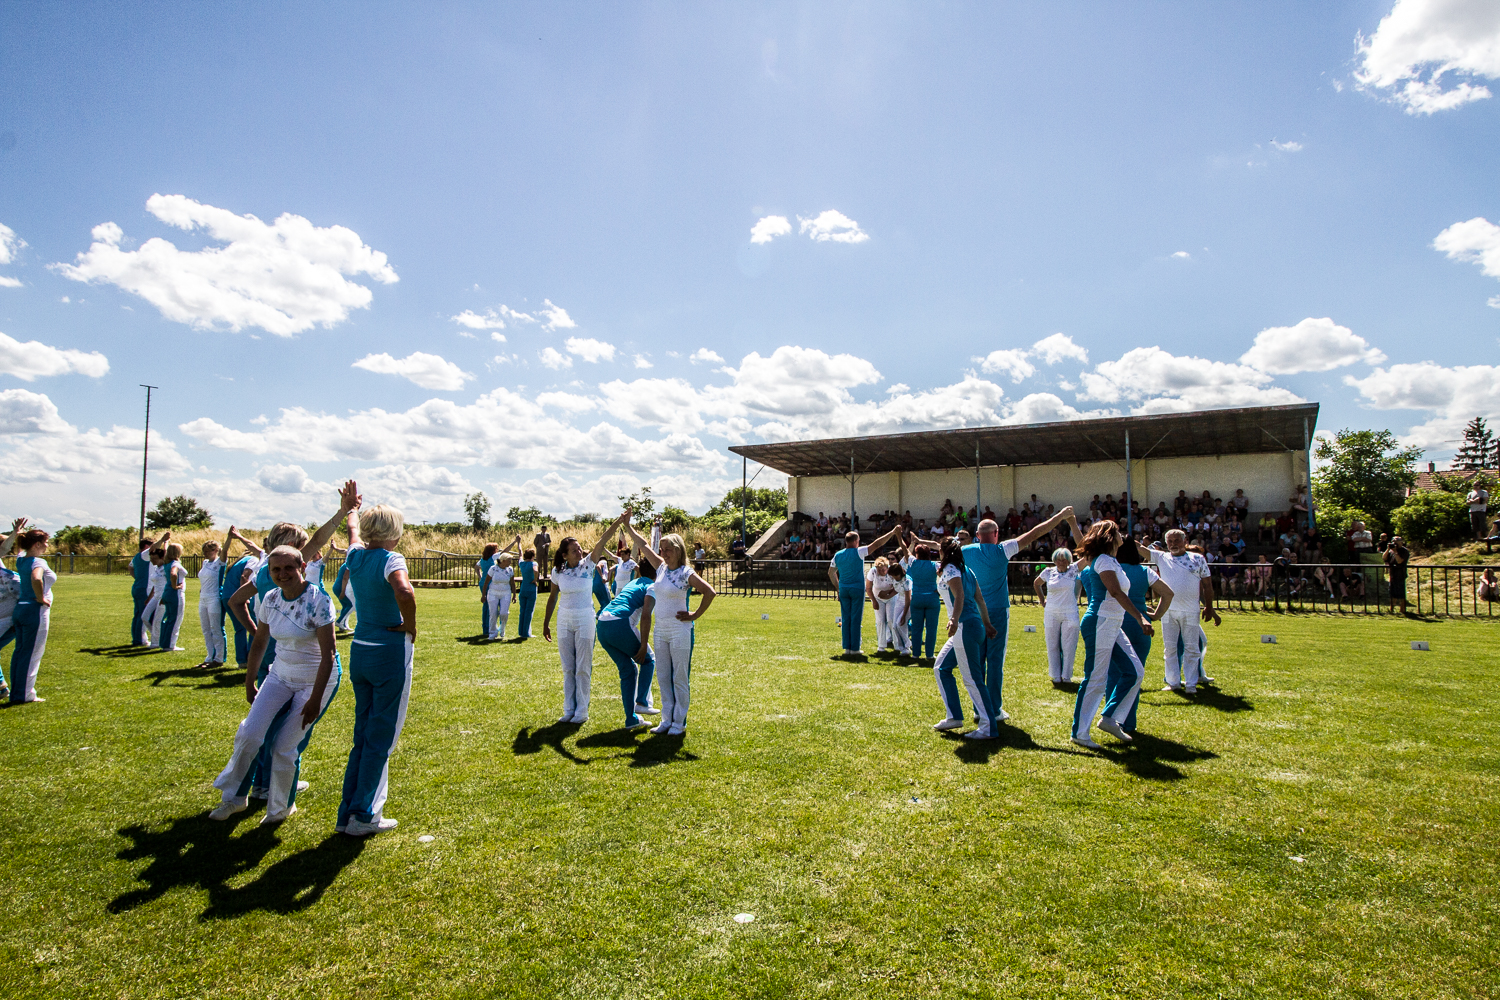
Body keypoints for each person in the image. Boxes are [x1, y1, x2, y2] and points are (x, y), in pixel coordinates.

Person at [210, 546, 341, 826]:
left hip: (315, 680)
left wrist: (315, 700)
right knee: (250, 733)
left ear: (302, 567)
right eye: (276, 569)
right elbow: (260, 642)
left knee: (283, 746)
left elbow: (329, 655)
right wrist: (249, 682)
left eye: (288, 568)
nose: (282, 574)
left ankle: (281, 808)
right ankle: (234, 798)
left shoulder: (319, 601)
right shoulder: (270, 598)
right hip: (279, 676)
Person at [337, 487, 420, 837]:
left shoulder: (355, 555)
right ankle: (364, 814)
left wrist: (351, 509)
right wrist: (410, 625)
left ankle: (347, 813)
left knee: (363, 734)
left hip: (361, 650)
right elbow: (404, 591)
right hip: (389, 652)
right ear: (393, 532)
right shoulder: (392, 558)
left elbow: (353, 531)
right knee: (382, 736)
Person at [963, 506, 1076, 724]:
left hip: (974, 611)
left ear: (977, 535)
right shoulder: (1002, 549)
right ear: (996, 534)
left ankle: (978, 708)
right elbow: (1036, 532)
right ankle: (994, 709)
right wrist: (1060, 516)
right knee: (995, 660)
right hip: (997, 611)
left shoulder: (965, 551)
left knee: (977, 661)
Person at [625, 521, 718, 736]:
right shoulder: (661, 567)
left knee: (680, 677)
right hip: (661, 631)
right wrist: (628, 527)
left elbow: (709, 592)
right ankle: (666, 720)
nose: (664, 553)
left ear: (678, 550)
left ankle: (679, 722)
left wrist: (694, 615)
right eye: (662, 549)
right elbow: (643, 544)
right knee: (663, 676)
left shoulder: (686, 573)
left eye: (667, 549)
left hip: (680, 631)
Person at [1072, 520, 1155, 749]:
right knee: (1095, 679)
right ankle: (1079, 733)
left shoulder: (1110, 560)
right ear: (1109, 537)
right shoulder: (1104, 560)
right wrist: (1140, 617)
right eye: (1118, 532)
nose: (1122, 535)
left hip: (1112, 624)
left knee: (1135, 672)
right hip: (1101, 622)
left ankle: (1110, 718)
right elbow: (1116, 592)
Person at [540, 526, 618, 725]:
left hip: (585, 619)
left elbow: (602, 541)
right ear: (565, 555)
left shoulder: (588, 565)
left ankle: (582, 710)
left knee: (582, 666)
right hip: (564, 620)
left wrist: (619, 522)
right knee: (568, 667)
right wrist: (546, 624)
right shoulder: (558, 571)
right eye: (574, 550)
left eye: (580, 548)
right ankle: (569, 709)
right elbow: (552, 598)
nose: (579, 551)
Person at [930, 537, 1001, 740]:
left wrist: (954, 619)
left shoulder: (950, 569)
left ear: (944, 552)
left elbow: (959, 595)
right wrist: (987, 624)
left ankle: (988, 727)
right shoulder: (968, 570)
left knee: (972, 679)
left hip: (964, 627)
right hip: (973, 626)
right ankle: (953, 716)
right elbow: (979, 599)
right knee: (941, 668)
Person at [595, 513, 660, 730]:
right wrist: (643, 645)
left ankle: (631, 719)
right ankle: (642, 702)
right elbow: (645, 616)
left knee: (628, 670)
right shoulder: (652, 586)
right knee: (649, 660)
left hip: (602, 623)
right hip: (619, 624)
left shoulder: (634, 582)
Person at [1101, 539, 1173, 734]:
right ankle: (1128, 722)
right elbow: (1168, 593)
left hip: (1116, 623)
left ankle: (1111, 718)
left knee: (1114, 673)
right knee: (1135, 675)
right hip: (1140, 627)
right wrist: (1156, 615)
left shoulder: (1110, 569)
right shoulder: (1144, 571)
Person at [1148, 529, 1219, 693]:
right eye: (1170, 541)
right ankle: (1173, 682)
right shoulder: (1161, 557)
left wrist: (1209, 607)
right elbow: (1138, 548)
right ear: (1166, 543)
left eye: (1177, 540)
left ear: (1185, 541)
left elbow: (1208, 585)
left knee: (1192, 648)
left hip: (1191, 611)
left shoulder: (1198, 559)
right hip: (1168, 611)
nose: (1173, 544)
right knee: (1170, 648)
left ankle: (1191, 684)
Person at [826, 523, 903, 655]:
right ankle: (855, 648)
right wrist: (892, 532)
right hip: (857, 588)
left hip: (844, 588)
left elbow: (831, 573)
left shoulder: (838, 555)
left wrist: (838, 588)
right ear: (856, 541)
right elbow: (877, 544)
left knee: (845, 618)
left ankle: (847, 648)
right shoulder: (859, 551)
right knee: (856, 618)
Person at [10, 527, 56, 705]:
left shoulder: (21, 560)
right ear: (37, 544)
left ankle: (17, 692)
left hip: (20, 609)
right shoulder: (39, 562)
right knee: (32, 654)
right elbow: (36, 578)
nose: (47, 545)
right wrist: (41, 598)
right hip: (34, 611)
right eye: (45, 542)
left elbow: (20, 550)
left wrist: (17, 533)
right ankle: (25, 694)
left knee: (20, 652)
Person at [1034, 546, 1082, 685]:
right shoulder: (1048, 572)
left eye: (1064, 559)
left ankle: (1066, 676)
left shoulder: (1074, 570)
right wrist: (1042, 600)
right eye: (1058, 560)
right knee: (1052, 645)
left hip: (1070, 612)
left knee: (1069, 645)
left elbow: (1086, 557)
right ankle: (1055, 675)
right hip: (1051, 612)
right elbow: (1037, 583)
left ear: (1069, 560)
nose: (1061, 562)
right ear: (1054, 560)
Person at [222, 528, 264, 667]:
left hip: (226, 596)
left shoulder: (238, 562)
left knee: (239, 629)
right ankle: (252, 658)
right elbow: (244, 577)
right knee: (252, 626)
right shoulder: (253, 560)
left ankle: (242, 660)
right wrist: (244, 596)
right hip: (238, 597)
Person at [0, 518, 28, 700]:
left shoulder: (7, 575)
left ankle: (1, 687)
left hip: (10, 619)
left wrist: (15, 534)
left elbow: (3, 547)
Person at [904, 535, 943, 660]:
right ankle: (930, 654)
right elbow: (945, 577)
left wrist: (906, 540)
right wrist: (940, 589)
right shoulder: (935, 565)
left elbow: (906, 551)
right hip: (932, 598)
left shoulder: (913, 563)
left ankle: (915, 654)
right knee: (931, 628)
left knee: (917, 628)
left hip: (917, 597)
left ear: (917, 554)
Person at [130, 531, 167, 646]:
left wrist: (138, 577)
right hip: (145, 589)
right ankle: (140, 639)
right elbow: (153, 548)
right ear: (146, 546)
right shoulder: (145, 555)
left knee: (137, 614)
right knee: (144, 615)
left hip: (137, 587)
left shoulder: (136, 557)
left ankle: (137, 638)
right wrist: (163, 540)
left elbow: (130, 567)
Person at [196, 538, 228, 668]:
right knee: (206, 629)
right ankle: (209, 657)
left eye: (207, 551)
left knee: (216, 628)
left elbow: (225, 552)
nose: (205, 553)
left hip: (214, 598)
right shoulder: (205, 563)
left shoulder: (219, 563)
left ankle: (218, 658)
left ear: (215, 550)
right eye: (204, 551)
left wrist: (230, 537)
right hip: (203, 598)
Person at [156, 542, 188, 651]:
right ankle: (170, 645)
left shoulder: (167, 563)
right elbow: (173, 573)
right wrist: (175, 586)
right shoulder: (175, 563)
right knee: (175, 619)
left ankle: (164, 643)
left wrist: (166, 543)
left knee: (168, 618)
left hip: (167, 592)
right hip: (176, 594)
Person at [485, 553, 518, 639]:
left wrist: (514, 595)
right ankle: (492, 633)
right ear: (503, 560)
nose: (510, 563)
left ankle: (502, 628)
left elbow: (512, 583)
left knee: (504, 613)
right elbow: (486, 581)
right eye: (509, 561)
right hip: (493, 593)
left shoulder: (510, 570)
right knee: (493, 613)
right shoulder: (493, 569)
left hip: (506, 593)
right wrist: (483, 595)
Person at [516, 547, 538, 639]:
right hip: (531, 588)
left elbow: (520, 554)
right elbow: (535, 570)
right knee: (529, 611)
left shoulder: (521, 563)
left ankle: (521, 631)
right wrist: (535, 580)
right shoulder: (534, 563)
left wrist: (519, 545)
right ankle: (526, 632)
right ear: (533, 556)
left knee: (522, 611)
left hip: (523, 588)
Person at [1385, 536, 1410, 614]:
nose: (1395, 543)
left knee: (1401, 593)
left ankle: (1402, 610)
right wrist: (1388, 549)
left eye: (1397, 541)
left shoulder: (1404, 551)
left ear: (1401, 542)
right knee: (1392, 593)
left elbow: (1399, 561)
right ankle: (1391, 610)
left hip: (1400, 574)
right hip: (1392, 574)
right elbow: (1384, 558)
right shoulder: (1391, 551)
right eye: (1393, 541)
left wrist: (1395, 552)